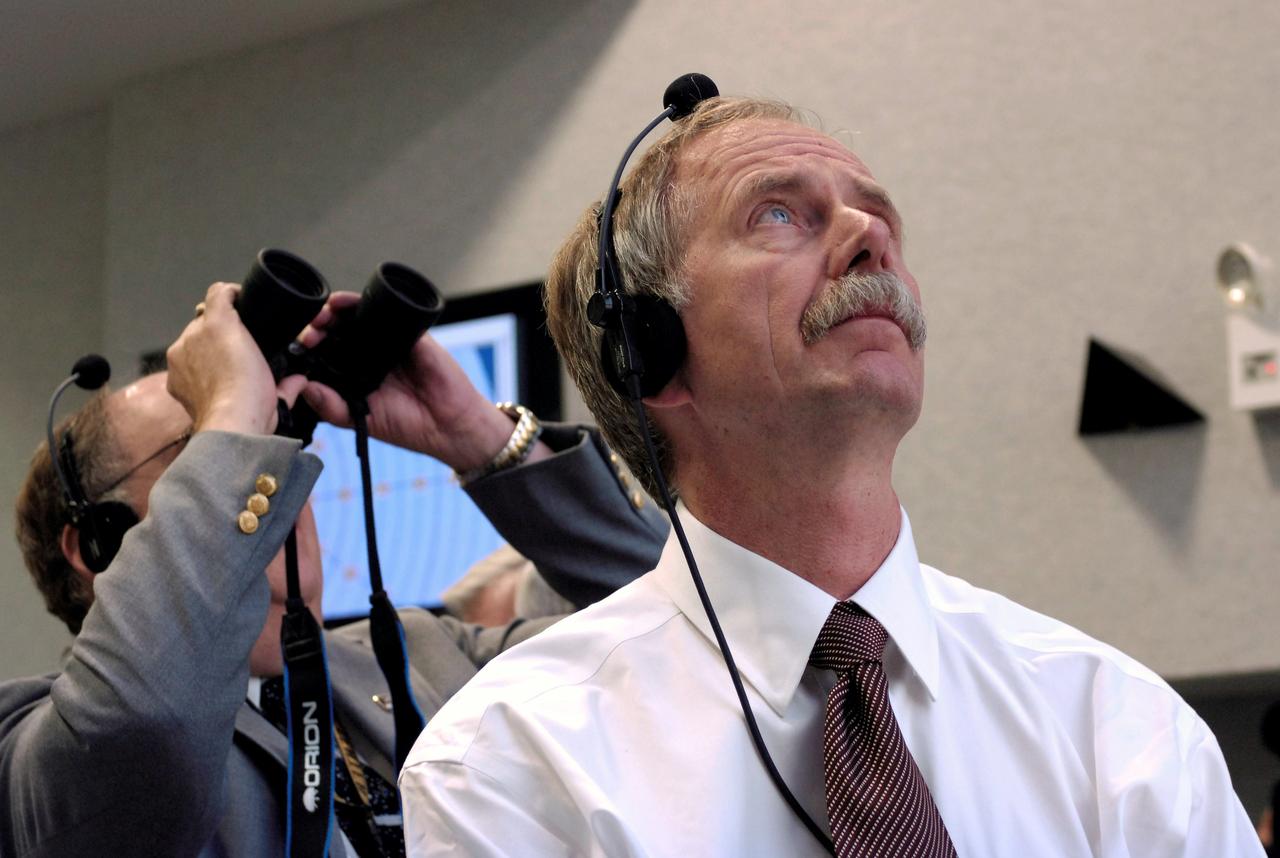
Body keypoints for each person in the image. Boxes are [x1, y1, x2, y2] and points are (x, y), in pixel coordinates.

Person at [398, 96, 1264, 856]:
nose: (870, 239)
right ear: (645, 349)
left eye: (879, 217)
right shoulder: (515, 758)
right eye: (779, 215)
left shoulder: (1116, 724)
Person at [0, 283, 666, 857]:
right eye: (210, 451)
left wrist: (482, 442)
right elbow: (145, 723)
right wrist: (231, 412)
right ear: (96, 544)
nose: (272, 475)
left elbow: (681, 635)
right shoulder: (35, 743)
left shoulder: (426, 657)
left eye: (281, 439)